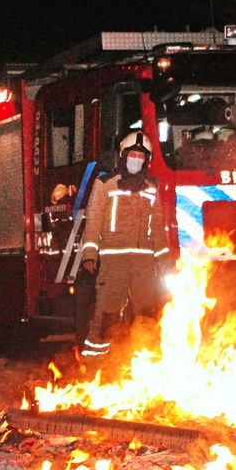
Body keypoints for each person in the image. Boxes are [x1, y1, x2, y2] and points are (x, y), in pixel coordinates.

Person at [78, 131, 171, 358]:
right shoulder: (106, 184)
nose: (136, 160)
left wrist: (166, 262)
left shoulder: (151, 188)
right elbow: (94, 219)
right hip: (113, 259)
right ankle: (96, 358)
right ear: (123, 155)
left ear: (146, 160)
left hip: (144, 262)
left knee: (146, 312)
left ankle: (143, 357)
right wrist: (90, 254)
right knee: (107, 310)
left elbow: (158, 227)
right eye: (133, 155)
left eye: (141, 156)